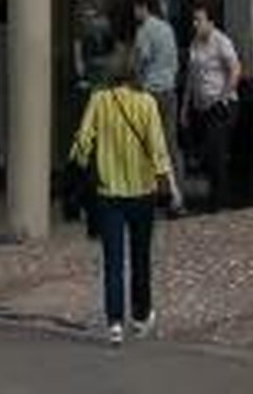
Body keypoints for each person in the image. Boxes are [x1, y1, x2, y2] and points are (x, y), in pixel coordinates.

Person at [71, 46, 178, 342]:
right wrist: (169, 184)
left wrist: (76, 170)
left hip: (108, 192)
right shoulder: (147, 104)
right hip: (142, 192)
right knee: (141, 257)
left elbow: (82, 142)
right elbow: (158, 149)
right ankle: (141, 315)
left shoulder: (99, 100)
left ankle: (114, 322)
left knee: (113, 260)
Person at [180, 5, 243, 211]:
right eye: (194, 20)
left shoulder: (221, 41)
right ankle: (215, 198)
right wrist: (185, 106)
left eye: (199, 20)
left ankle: (220, 203)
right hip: (202, 107)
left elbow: (235, 69)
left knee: (215, 151)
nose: (195, 24)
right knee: (207, 153)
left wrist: (223, 95)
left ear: (211, 22)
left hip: (221, 106)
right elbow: (191, 77)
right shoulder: (195, 43)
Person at [131, 0, 180, 202]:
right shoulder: (167, 28)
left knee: (148, 143)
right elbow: (175, 61)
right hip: (169, 91)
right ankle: (175, 193)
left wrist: (136, 83)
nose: (134, 14)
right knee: (169, 143)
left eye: (135, 9)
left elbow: (140, 62)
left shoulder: (145, 31)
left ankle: (152, 192)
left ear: (142, 8)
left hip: (150, 92)